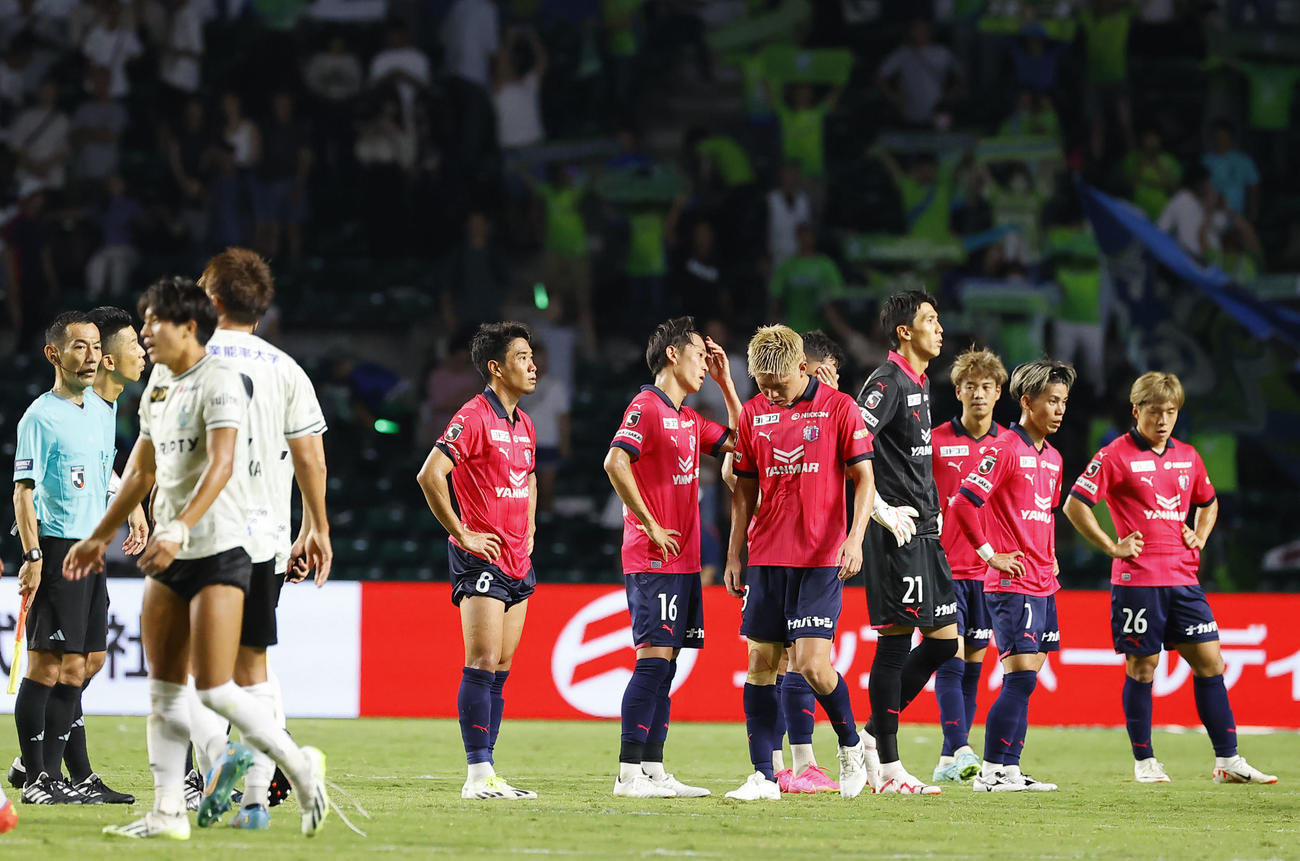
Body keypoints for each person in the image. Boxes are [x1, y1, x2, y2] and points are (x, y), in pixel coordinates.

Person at [63, 276, 329, 839]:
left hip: (220, 549)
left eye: (151, 320)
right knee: (162, 691)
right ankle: (168, 813)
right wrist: (99, 536)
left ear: (188, 326)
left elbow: (222, 463)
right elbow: (141, 468)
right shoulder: (160, 382)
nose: (142, 333)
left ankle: (299, 766)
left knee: (213, 687)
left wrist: (180, 527)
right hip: (171, 549)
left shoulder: (221, 382)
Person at [1063, 372, 1277, 786]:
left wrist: (1201, 534)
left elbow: (1208, 503)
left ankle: (1228, 761)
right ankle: (1145, 761)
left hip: (1183, 578)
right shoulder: (1114, 455)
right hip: (1138, 580)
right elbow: (1076, 505)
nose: (1163, 420)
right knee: (1143, 667)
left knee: (1211, 662)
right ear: (1136, 410)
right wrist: (1111, 546)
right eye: (1155, 411)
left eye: (1171, 412)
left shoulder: (1189, 456)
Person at [187, 248, 332, 828]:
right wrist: (314, 527)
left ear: (211, 299)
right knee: (254, 668)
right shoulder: (287, 369)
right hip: (266, 540)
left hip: (203, 537)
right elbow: (311, 458)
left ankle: (219, 768)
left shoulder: (189, 364)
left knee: (200, 676)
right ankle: (253, 803)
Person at [722, 325, 873, 801]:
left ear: (802, 368)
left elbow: (864, 479)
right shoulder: (753, 413)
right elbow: (744, 489)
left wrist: (855, 540)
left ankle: (852, 745)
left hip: (819, 556)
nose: (769, 391)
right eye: (762, 382)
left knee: (810, 664)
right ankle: (763, 776)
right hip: (767, 555)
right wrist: (733, 554)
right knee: (761, 664)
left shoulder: (839, 408)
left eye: (778, 383)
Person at [604, 317, 740, 798]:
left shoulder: (688, 419)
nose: (705, 363)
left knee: (669, 664)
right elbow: (615, 461)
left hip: (683, 563)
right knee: (654, 662)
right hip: (652, 558)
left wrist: (726, 385)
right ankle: (627, 774)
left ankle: (654, 768)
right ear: (672, 356)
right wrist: (650, 522)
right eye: (700, 356)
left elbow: (745, 445)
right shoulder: (646, 406)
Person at [11, 310, 140, 804]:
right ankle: (40, 777)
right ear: (54, 354)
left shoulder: (100, 410)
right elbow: (24, 492)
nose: (89, 357)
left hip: (93, 549)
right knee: (48, 668)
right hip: (58, 546)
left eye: (93, 346)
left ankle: (58, 771)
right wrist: (33, 553)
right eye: (78, 347)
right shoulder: (40, 416)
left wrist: (132, 511)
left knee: (87, 663)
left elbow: (101, 470)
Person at [416, 322, 539, 800]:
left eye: (533, 357)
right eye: (523, 357)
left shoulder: (524, 422)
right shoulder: (472, 415)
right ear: (496, 367)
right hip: (481, 559)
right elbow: (431, 474)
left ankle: (489, 771)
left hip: (517, 558)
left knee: (502, 667)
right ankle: (476, 774)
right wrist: (462, 531)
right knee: (482, 661)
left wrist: (530, 526)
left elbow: (528, 477)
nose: (533, 365)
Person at [950, 359, 1075, 792]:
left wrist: (1052, 554)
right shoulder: (1004, 448)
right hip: (1011, 583)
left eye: (1064, 402)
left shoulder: (1055, 458)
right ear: (1026, 402)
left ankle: (1011, 769)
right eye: (1051, 401)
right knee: (1019, 676)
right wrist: (990, 555)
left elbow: (1046, 513)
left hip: (1044, 581)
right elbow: (964, 502)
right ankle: (990, 772)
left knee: (1028, 679)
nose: (1060, 410)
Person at [855, 289, 957, 796]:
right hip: (896, 530)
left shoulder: (918, 382)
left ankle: (873, 733)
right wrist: (879, 509)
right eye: (930, 320)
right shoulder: (886, 382)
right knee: (894, 644)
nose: (940, 329)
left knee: (944, 641)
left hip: (926, 530)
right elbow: (849, 443)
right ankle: (888, 765)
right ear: (904, 332)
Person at [928, 347, 1008, 784]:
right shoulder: (936, 440)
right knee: (950, 662)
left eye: (987, 387)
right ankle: (961, 749)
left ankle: (946, 758)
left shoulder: (1007, 446)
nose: (979, 394)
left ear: (999, 393)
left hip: (990, 574)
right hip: (943, 569)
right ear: (957, 391)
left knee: (974, 668)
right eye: (971, 386)